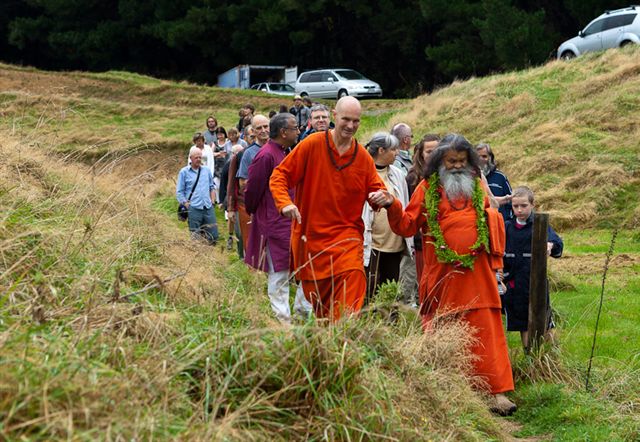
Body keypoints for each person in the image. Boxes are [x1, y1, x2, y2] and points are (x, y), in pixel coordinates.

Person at [369, 133, 517, 415]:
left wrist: (491, 217)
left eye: (462, 161)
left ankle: (496, 392)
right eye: (451, 161)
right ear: (439, 162)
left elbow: (491, 216)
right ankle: (454, 388)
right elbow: (408, 225)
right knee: (448, 327)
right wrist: (392, 204)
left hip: (478, 275)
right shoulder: (427, 188)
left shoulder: (476, 185)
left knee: (487, 329)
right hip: (443, 275)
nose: (457, 166)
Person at [270, 96, 387, 321]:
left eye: (356, 121)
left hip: (348, 241)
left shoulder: (362, 157)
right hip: (312, 242)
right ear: (335, 116)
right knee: (324, 312)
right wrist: (284, 203)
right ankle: (331, 350)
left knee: (349, 298)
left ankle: (345, 343)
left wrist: (382, 197)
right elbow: (280, 175)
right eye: (346, 119)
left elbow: (377, 190)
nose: (351, 126)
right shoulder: (311, 144)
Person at [244, 113, 312, 322]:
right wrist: (263, 215)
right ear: (283, 132)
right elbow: (252, 191)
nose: (298, 131)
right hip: (275, 225)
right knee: (279, 275)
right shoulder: (266, 156)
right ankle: (283, 322)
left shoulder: (286, 152)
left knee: (303, 269)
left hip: (290, 223)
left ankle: (302, 315)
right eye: (294, 128)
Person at [503, 186, 563, 349]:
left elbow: (557, 244)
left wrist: (550, 246)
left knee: (545, 322)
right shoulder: (507, 227)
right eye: (516, 206)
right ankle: (531, 358)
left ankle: (553, 358)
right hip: (515, 286)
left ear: (532, 205)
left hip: (535, 283)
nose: (520, 210)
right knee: (523, 324)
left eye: (524, 206)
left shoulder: (539, 224)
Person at [362, 132, 413, 303]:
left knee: (390, 290)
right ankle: (369, 323)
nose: (397, 153)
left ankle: (389, 324)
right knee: (370, 288)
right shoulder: (363, 171)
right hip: (373, 243)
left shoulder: (398, 174)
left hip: (394, 244)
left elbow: (404, 203)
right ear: (381, 150)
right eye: (393, 149)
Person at [390, 123, 418, 307]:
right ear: (406, 140)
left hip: (400, 220)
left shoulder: (402, 162)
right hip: (404, 220)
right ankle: (404, 304)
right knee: (406, 267)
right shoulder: (400, 164)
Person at [407, 134, 440, 284]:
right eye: (429, 152)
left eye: (436, 151)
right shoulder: (413, 178)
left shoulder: (448, 174)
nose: (433, 155)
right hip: (422, 240)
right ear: (421, 154)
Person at [176, 147, 219, 244]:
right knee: (195, 236)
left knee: (214, 235)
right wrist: (186, 204)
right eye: (196, 157)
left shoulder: (206, 170)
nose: (199, 159)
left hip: (208, 206)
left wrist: (212, 201)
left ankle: (212, 255)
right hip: (193, 208)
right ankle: (199, 256)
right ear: (190, 158)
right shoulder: (184, 172)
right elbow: (179, 192)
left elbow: (212, 187)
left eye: (200, 157)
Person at [476, 142, 513, 221]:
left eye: (484, 156)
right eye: (477, 157)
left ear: (490, 158)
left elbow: (511, 201)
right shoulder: (468, 179)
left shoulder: (500, 176)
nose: (481, 159)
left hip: (498, 223)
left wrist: (508, 222)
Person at [220, 144, 245, 251]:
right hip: (229, 196)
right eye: (236, 153)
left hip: (241, 197)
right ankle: (230, 236)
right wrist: (222, 200)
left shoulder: (245, 164)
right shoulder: (228, 166)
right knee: (231, 218)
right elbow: (223, 183)